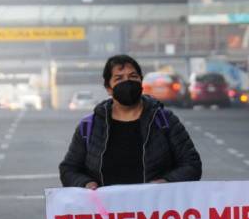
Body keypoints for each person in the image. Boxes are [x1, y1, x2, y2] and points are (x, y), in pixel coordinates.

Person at [59, 54, 202, 188]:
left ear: (141, 82)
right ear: (109, 88)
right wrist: (86, 183)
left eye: (133, 76)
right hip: (105, 211)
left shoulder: (165, 120)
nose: (127, 82)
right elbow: (69, 169)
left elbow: (191, 165)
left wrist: (166, 182)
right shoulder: (89, 127)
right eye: (119, 78)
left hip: (154, 211)